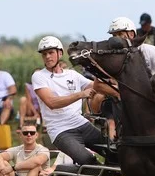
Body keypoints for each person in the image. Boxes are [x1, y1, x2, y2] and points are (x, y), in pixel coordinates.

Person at [32, 36, 107, 166]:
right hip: (60, 130)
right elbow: (52, 103)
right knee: (87, 160)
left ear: (60, 53)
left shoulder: (72, 75)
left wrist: (97, 69)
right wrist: (80, 94)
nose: (47, 57)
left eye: (50, 53)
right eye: (44, 54)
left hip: (81, 123)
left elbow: (97, 86)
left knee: (112, 151)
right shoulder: (39, 76)